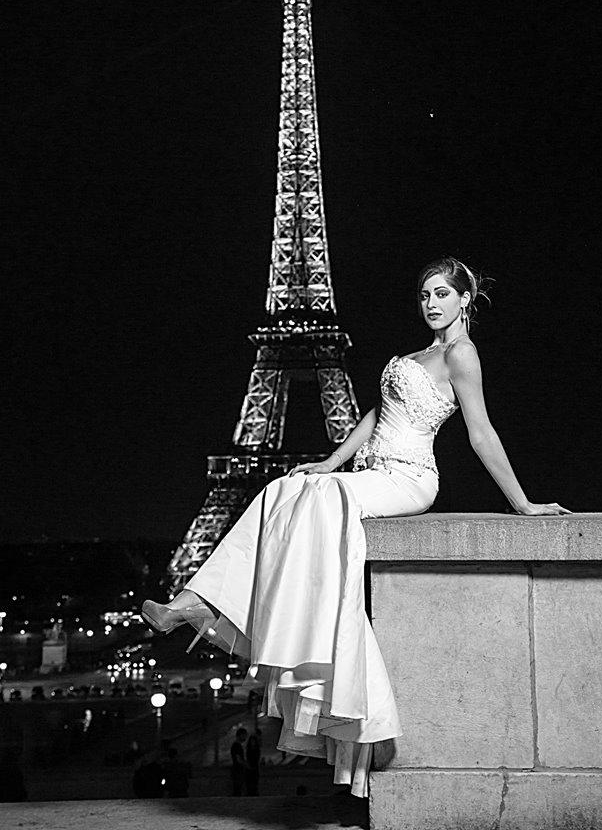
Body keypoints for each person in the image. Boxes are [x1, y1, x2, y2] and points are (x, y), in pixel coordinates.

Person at [142, 257, 570, 799]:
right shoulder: (417, 356)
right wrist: (329, 461)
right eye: (424, 294)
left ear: (465, 299)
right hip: (370, 473)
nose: (431, 303)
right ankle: (195, 603)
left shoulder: (461, 355)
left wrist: (523, 504)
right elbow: (374, 415)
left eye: (442, 293)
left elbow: (480, 432)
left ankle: (263, 619)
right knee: (282, 490)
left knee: (318, 498)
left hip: (410, 478)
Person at [230, 727, 248, 796]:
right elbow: (238, 759)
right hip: (238, 770)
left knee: (237, 789)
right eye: (244, 735)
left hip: (237, 770)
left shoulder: (236, 745)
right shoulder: (237, 746)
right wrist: (246, 764)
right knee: (238, 789)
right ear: (240, 735)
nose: (245, 737)